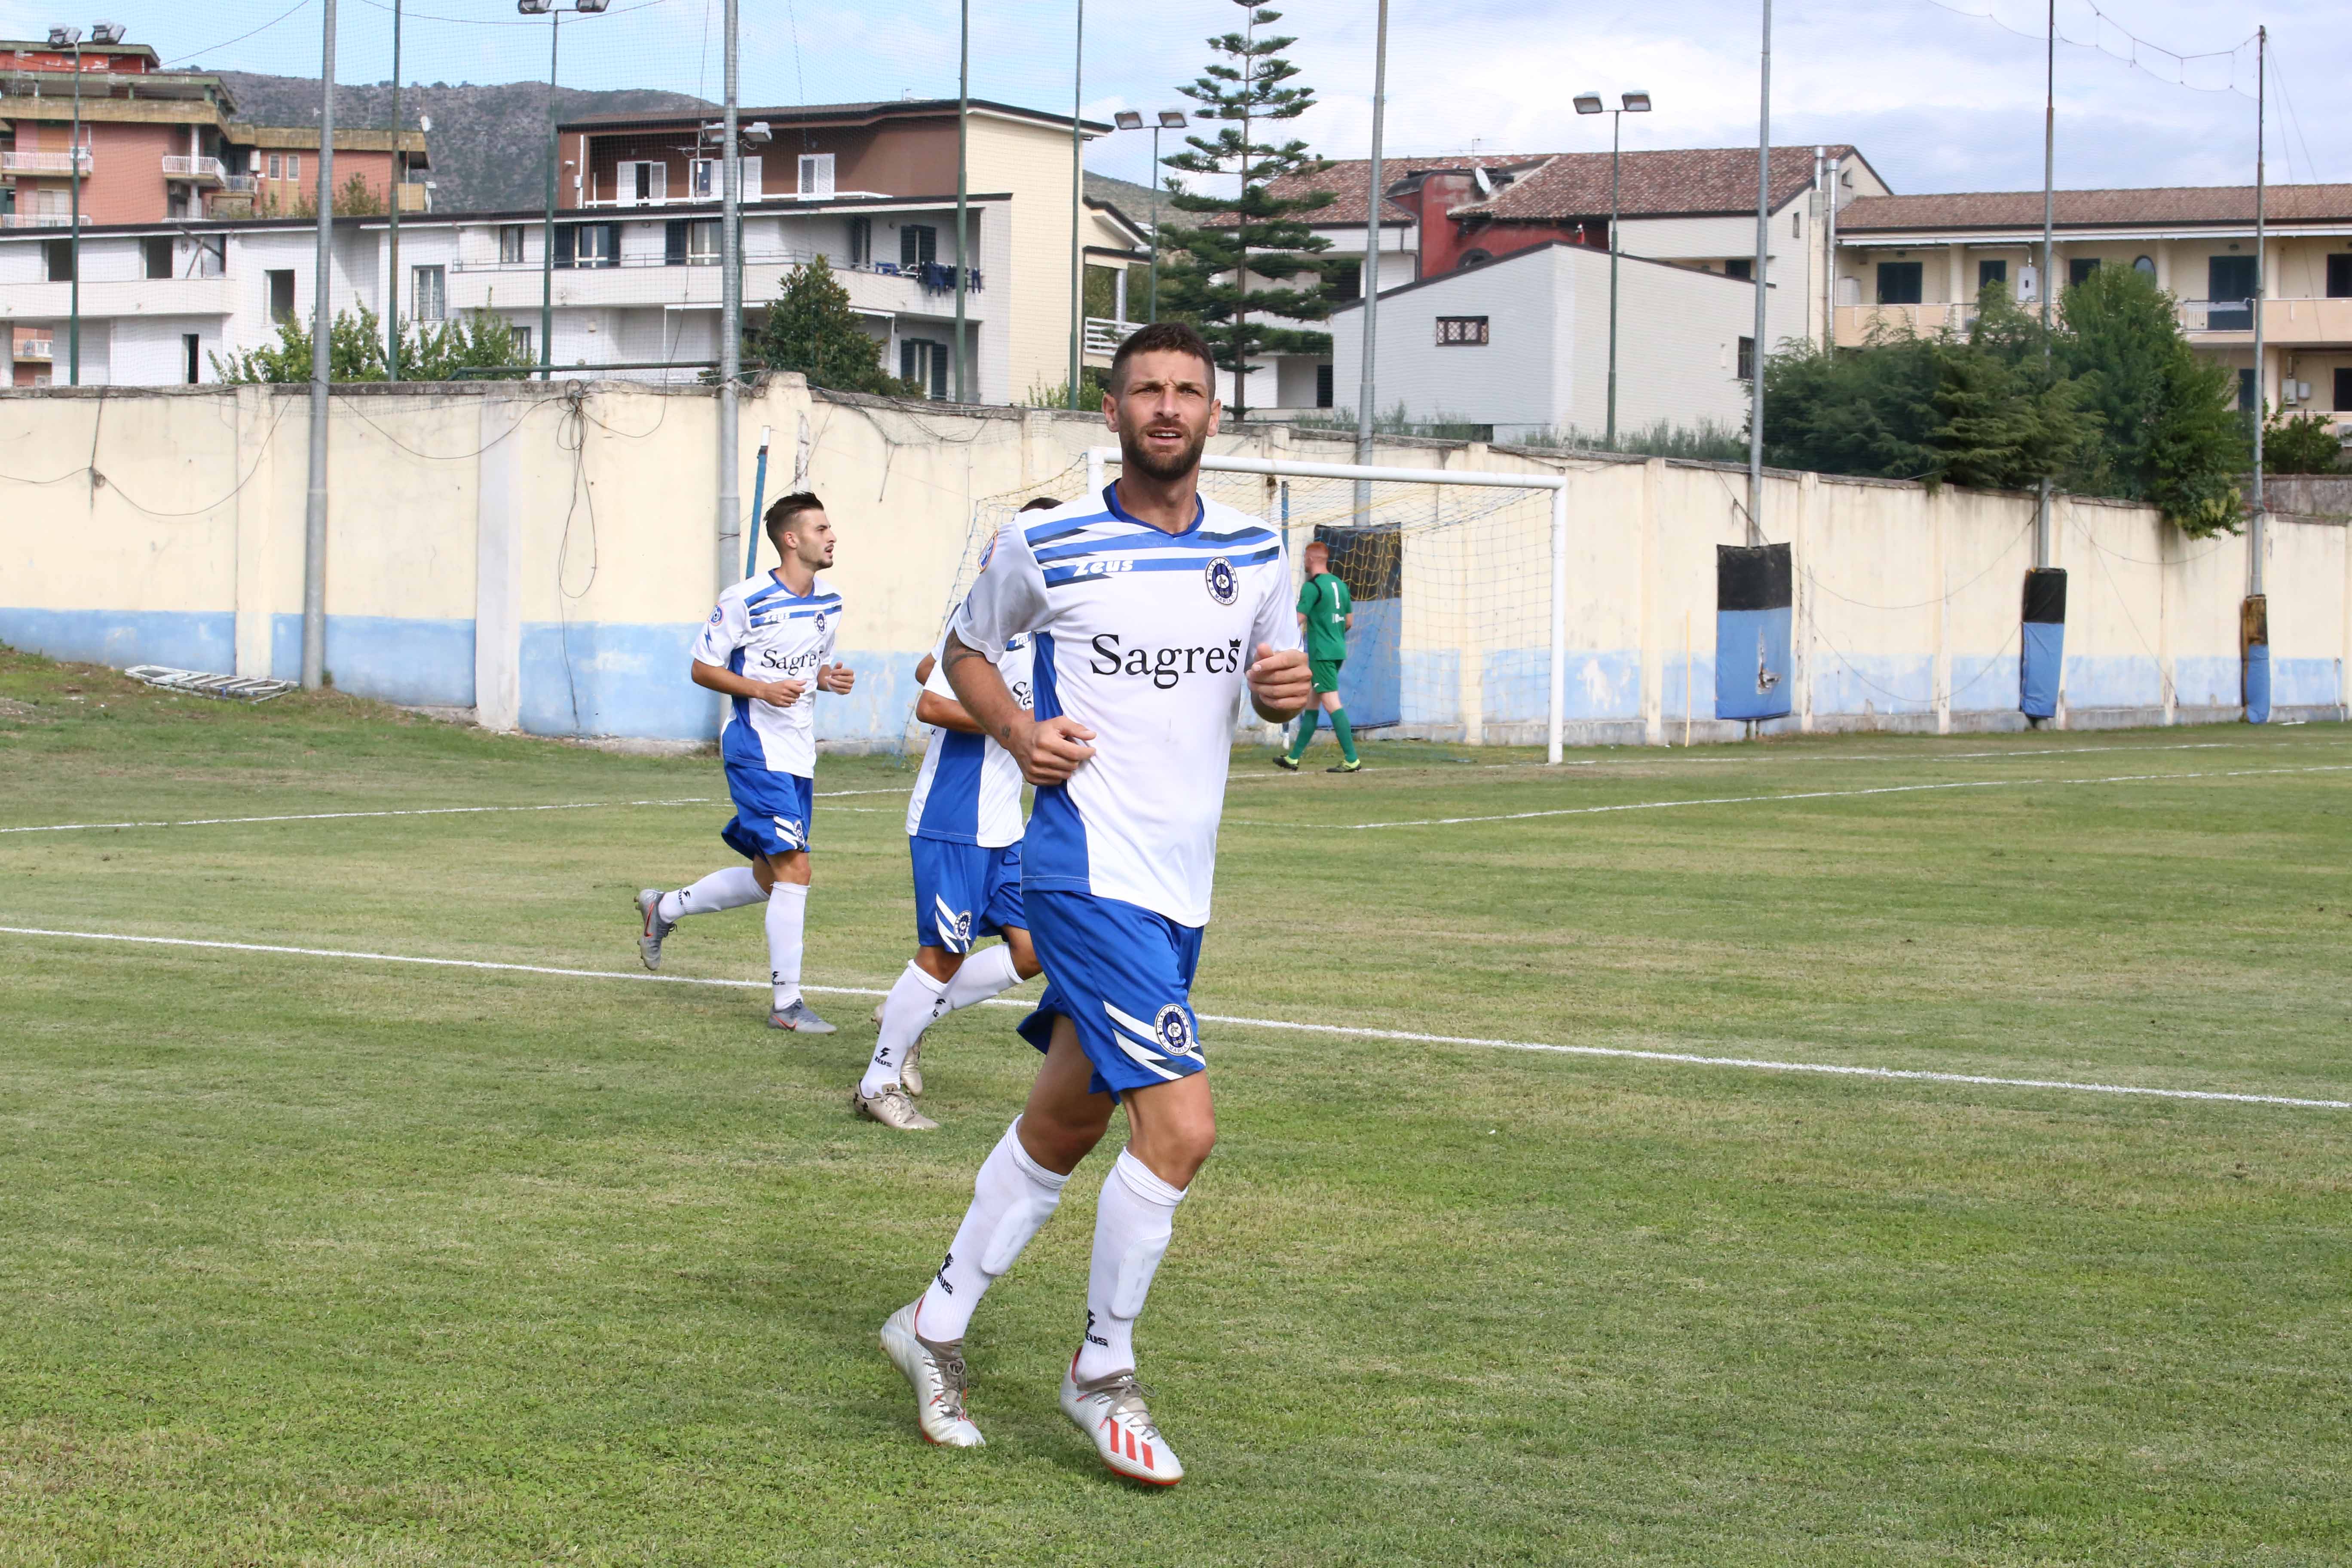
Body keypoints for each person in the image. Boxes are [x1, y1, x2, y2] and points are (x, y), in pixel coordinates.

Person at [876, 321, 1312, 1486]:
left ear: (1215, 414)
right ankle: (1101, 1374)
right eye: (1145, 391)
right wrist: (1021, 734)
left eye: (1187, 391)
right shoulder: (1047, 541)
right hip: (1082, 872)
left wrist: (1292, 695)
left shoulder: (1259, 552)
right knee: (1181, 1130)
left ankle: (933, 1324)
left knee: (1065, 1125)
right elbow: (962, 653)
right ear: (1111, 413)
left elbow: (1279, 699)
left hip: (1181, 893)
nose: (1167, 407)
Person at [852, 501, 1062, 1131]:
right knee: (942, 954)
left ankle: (909, 1019)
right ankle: (877, 1082)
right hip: (954, 815)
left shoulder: (1050, 626)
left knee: (1032, 951)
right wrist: (1018, 726)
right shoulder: (995, 613)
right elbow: (931, 705)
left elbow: (932, 665)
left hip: (1004, 824)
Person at [634, 492, 854, 1033]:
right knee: (796, 870)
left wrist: (827, 680)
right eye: (821, 528)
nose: (832, 537)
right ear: (791, 539)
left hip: (800, 755)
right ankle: (787, 1004)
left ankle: (663, 909)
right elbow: (702, 668)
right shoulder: (746, 599)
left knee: (768, 878)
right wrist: (760, 689)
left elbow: (812, 668)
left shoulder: (831, 602)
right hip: (756, 748)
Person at [1273, 539, 1360, 772]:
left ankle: (1352, 759)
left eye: (1304, 559)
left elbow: (1297, 620)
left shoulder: (1312, 587)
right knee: (1312, 703)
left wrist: (1275, 636)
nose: (1304, 563)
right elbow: (1349, 622)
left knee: (1331, 702)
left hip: (1321, 653)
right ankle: (1293, 758)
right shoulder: (1341, 585)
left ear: (1311, 559)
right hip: (1338, 649)